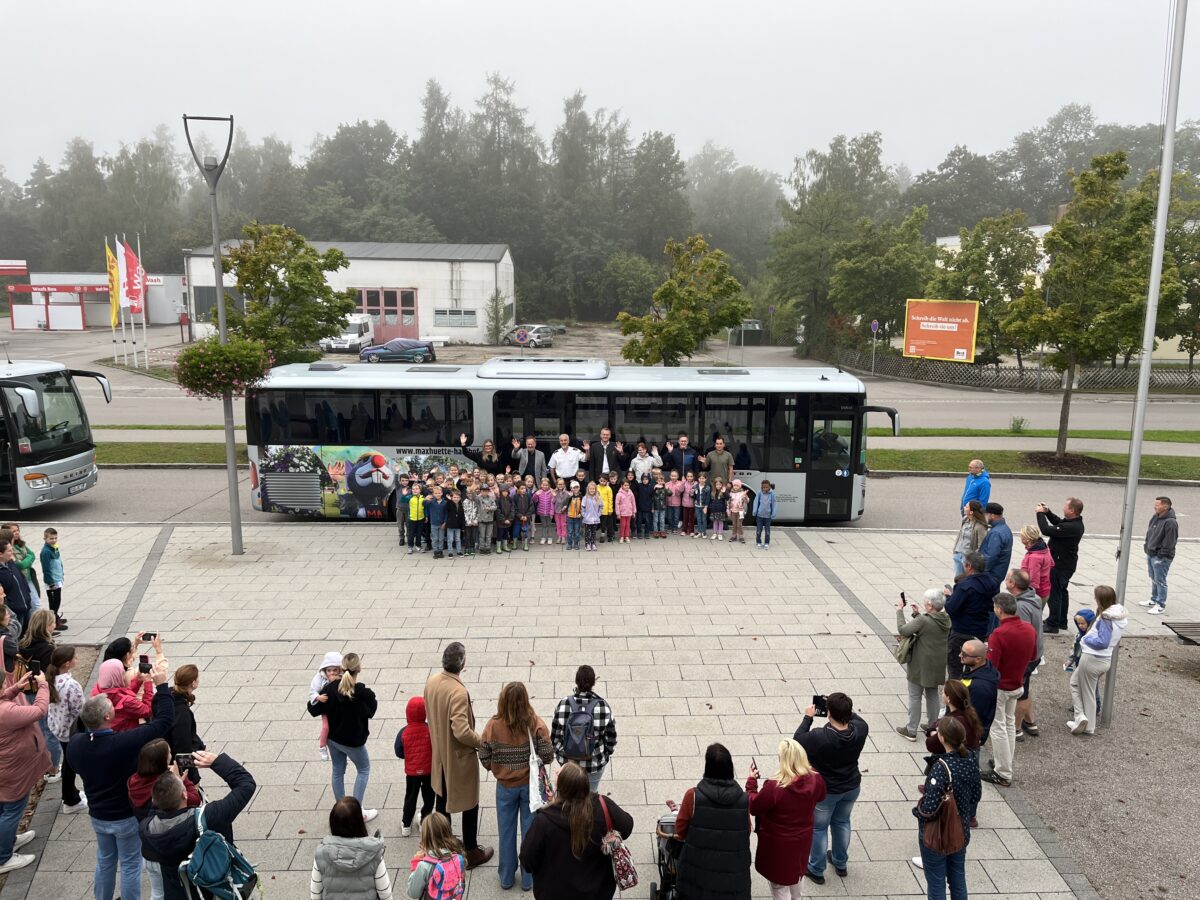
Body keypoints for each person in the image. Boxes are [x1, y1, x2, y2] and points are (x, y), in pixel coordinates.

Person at [69, 659, 174, 900]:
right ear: (108, 716)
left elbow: (74, 766)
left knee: (105, 861)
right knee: (129, 864)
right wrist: (162, 686)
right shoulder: (120, 744)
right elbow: (163, 721)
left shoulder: (76, 744)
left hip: (98, 814)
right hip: (124, 816)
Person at [139, 749, 256, 900]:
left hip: (178, 893)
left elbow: (157, 806)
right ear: (185, 794)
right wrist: (217, 762)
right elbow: (246, 784)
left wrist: (170, 784)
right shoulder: (209, 817)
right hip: (213, 890)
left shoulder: (146, 828)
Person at [519, 762, 633, 900]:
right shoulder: (603, 805)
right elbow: (627, 827)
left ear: (562, 788)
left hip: (555, 892)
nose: (555, 772)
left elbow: (527, 859)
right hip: (598, 891)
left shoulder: (544, 821)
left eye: (558, 773)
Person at [424, 641, 493, 869]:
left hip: (440, 755)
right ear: (462, 664)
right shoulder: (458, 691)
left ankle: (443, 846)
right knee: (470, 803)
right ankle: (472, 852)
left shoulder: (432, 682)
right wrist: (481, 741)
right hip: (458, 759)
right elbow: (461, 730)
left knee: (441, 800)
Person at [480, 682, 553, 892]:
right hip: (529, 787)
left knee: (506, 831)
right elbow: (548, 755)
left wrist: (495, 767)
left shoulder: (493, 725)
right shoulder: (535, 724)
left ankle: (506, 877)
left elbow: (483, 754)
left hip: (504, 787)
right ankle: (529, 879)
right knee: (530, 833)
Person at [794, 692, 868, 885]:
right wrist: (839, 706)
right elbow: (853, 716)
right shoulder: (861, 729)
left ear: (828, 713)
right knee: (842, 821)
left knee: (819, 828)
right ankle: (840, 862)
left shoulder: (821, 737)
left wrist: (808, 717)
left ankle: (816, 869)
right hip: (851, 786)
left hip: (826, 791)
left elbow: (797, 740)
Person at [911, 717, 982, 899]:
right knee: (958, 880)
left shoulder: (941, 767)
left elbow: (930, 807)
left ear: (941, 738)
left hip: (938, 836)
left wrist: (917, 811)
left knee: (936, 883)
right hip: (960, 831)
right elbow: (976, 796)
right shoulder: (971, 761)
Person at [746, 740, 827, 899]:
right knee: (797, 875)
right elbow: (821, 796)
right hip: (802, 839)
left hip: (778, 845)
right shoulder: (816, 779)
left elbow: (754, 806)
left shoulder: (775, 787)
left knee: (779, 884)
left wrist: (751, 783)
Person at [672, 742, 751, 900]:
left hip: (697, 868)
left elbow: (680, 830)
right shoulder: (743, 800)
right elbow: (747, 830)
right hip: (732, 873)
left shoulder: (693, 796)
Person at [309, 652, 378, 821]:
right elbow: (371, 710)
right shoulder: (362, 691)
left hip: (333, 740)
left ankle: (341, 812)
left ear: (341, 669)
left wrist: (317, 697)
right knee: (363, 769)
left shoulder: (329, 689)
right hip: (354, 742)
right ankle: (356, 813)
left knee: (338, 772)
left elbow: (313, 709)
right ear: (358, 668)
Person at [981, 592, 1036, 788]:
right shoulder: (1029, 629)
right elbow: (1034, 654)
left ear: (999, 609)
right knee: (1010, 724)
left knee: (998, 727)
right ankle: (1004, 762)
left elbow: (991, 665)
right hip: (1017, 683)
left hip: (1000, 687)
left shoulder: (999, 634)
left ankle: (1003, 772)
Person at [0, 666, 49, 876]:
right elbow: (39, 711)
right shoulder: (6, 712)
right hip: (12, 770)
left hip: (7, 767)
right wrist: (44, 685)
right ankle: (4, 857)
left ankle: (8, 840)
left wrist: (15, 690)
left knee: (5, 807)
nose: (5, 685)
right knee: (13, 809)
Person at [1068, 586, 1128, 736]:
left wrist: (1087, 638)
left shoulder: (1106, 618)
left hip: (1092, 658)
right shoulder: (1117, 615)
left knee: (1087, 691)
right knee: (1076, 683)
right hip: (1103, 659)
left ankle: (1086, 723)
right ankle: (1080, 716)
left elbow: (1102, 641)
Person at [310, 796, 394, 900]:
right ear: (359, 822)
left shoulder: (321, 854)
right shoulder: (373, 853)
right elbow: (385, 893)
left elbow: (315, 893)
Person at [551, 665, 617, 793]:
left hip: (568, 763)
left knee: (567, 794)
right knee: (591, 795)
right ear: (593, 683)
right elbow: (611, 737)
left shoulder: (564, 703)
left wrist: (561, 755)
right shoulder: (603, 706)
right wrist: (605, 753)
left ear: (576, 681)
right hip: (594, 763)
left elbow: (555, 735)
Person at [895, 589, 950, 741]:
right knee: (932, 694)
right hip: (937, 662)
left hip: (920, 663)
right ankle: (933, 725)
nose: (925, 603)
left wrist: (899, 611)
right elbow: (929, 627)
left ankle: (911, 730)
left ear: (931, 606)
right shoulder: (945, 618)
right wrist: (917, 614)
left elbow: (903, 630)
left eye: (926, 602)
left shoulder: (924, 621)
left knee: (915, 695)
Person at [943, 552, 998, 680]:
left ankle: (956, 691)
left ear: (969, 566)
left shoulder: (964, 586)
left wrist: (949, 596)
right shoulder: (992, 583)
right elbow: (992, 605)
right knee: (973, 664)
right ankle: (970, 686)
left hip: (961, 630)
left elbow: (951, 608)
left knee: (955, 664)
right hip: (980, 629)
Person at [46, 644, 87, 813]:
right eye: (75, 658)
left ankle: (72, 794)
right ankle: (71, 799)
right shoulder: (71, 685)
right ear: (67, 663)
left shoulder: (50, 680)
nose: (77, 660)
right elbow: (80, 710)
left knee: (68, 762)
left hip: (59, 727)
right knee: (71, 765)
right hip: (71, 729)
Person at [1037, 497, 1085, 633]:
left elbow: (1046, 530)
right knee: (1062, 592)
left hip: (1060, 565)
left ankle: (1053, 624)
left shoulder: (1071, 527)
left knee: (1055, 594)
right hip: (1066, 563)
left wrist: (1039, 513)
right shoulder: (1073, 523)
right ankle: (1061, 620)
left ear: (1072, 510)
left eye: (1066, 506)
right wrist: (1047, 512)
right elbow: (1058, 522)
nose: (1063, 508)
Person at [1008, 569, 1045, 740]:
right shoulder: (1033, 597)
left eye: (1008, 578)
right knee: (1025, 687)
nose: (1005, 580)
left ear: (1013, 584)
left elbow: (1023, 635)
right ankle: (1030, 722)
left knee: (1020, 692)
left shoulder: (1020, 607)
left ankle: (1015, 729)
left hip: (1026, 657)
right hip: (1035, 654)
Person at [396, 696, 434, 837]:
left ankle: (406, 824)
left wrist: (409, 756)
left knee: (411, 797)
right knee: (429, 797)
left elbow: (398, 751)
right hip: (429, 770)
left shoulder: (404, 731)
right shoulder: (430, 729)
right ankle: (424, 821)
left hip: (412, 773)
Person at [407, 812, 465, 900]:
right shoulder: (457, 857)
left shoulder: (424, 866)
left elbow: (413, 893)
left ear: (425, 837)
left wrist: (417, 862)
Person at [1141, 496, 1178, 615]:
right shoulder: (1155, 517)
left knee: (1160, 580)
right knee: (1154, 578)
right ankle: (1153, 599)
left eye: (1157, 505)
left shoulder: (1171, 522)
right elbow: (1149, 532)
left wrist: (1161, 555)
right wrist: (1147, 547)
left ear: (1165, 506)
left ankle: (1161, 604)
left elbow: (1170, 542)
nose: (1154, 506)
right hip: (1151, 553)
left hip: (1161, 557)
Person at [95, 658, 154, 732]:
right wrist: (148, 683)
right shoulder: (127, 702)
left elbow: (120, 694)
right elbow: (148, 710)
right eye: (122, 673)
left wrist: (137, 681)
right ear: (117, 677)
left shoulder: (99, 689)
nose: (125, 674)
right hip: (127, 733)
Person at [169, 664, 205, 784]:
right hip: (176, 768)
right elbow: (183, 749)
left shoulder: (166, 697)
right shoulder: (182, 713)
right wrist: (193, 778)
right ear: (193, 683)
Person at [957, 640, 998, 744]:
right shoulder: (972, 670)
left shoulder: (981, 687)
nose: (959, 655)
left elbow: (975, 717)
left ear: (978, 659)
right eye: (961, 650)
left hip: (966, 737)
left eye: (964, 654)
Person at [310, 652, 343, 762]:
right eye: (329, 670)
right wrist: (318, 697)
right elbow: (312, 691)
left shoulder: (342, 677)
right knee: (325, 727)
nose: (331, 673)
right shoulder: (320, 677)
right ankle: (322, 747)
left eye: (334, 670)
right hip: (326, 707)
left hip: (337, 708)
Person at [0, 538, 33, 636]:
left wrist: (28, 595)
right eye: (9, 551)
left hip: (25, 606)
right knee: (16, 637)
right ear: (0, 554)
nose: (12, 552)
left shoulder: (10, 563)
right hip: (14, 611)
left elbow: (21, 579)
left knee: (26, 636)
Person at [39, 527, 67, 631]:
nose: (54, 540)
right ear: (45, 539)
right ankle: (53, 620)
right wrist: (50, 583)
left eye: (55, 538)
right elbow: (46, 569)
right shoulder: (46, 552)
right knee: (54, 601)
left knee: (57, 600)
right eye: (51, 538)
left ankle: (55, 617)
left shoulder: (54, 547)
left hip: (57, 578)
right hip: (52, 581)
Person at [978, 502, 1013, 584]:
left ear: (992, 515)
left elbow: (990, 556)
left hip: (990, 576)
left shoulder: (996, 533)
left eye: (986, 514)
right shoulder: (1004, 528)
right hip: (997, 574)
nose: (984, 516)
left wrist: (979, 573)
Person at [952, 501, 988, 577]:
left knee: (967, 580)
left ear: (971, 512)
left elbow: (981, 545)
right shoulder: (965, 520)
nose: (964, 507)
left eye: (967, 506)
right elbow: (960, 536)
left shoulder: (979, 527)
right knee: (958, 579)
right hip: (958, 554)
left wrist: (973, 558)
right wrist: (955, 550)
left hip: (967, 558)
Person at [1018, 525, 1053, 602]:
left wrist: (1025, 597)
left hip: (1036, 594)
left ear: (1028, 539)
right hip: (1045, 590)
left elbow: (1033, 581)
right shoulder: (1044, 547)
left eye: (1022, 536)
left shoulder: (1034, 557)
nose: (1020, 537)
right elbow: (1051, 563)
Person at [753, 480, 776, 549]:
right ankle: (758, 542)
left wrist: (773, 513)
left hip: (768, 516)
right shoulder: (759, 493)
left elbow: (774, 504)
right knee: (758, 530)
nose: (765, 489)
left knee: (767, 531)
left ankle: (766, 543)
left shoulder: (772, 494)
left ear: (769, 487)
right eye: (764, 487)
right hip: (759, 515)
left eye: (767, 487)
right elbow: (756, 502)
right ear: (761, 487)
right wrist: (755, 511)